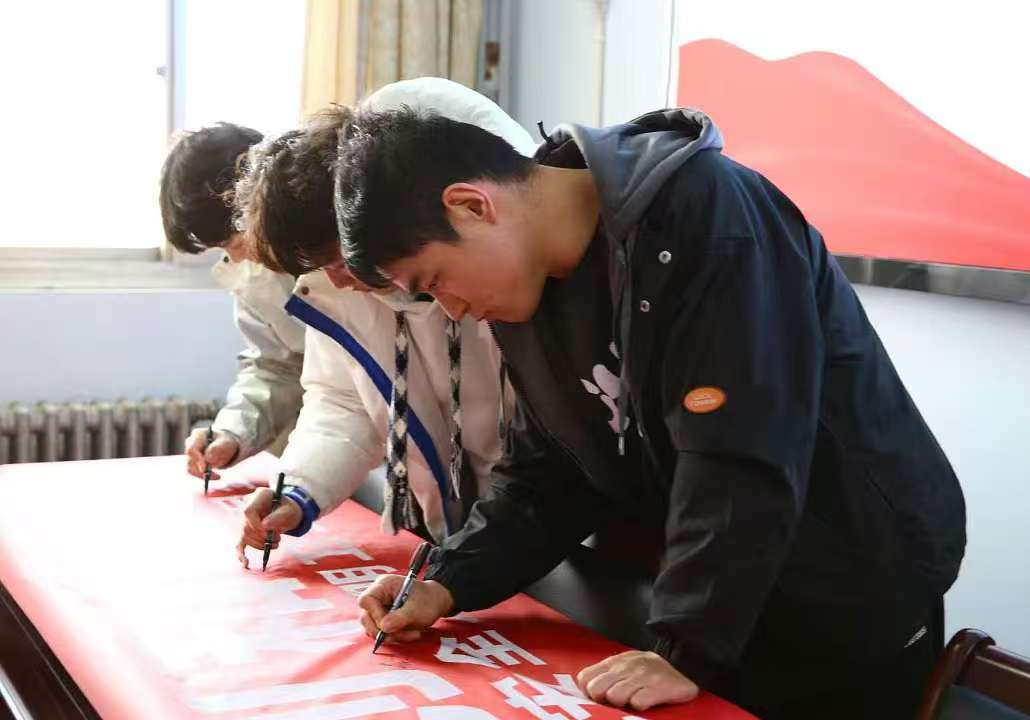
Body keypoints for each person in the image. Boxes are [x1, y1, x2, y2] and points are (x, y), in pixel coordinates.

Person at [337, 108, 967, 719]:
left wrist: (685, 647)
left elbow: (741, 451)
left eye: (436, 280)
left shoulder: (706, 214)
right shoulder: (528, 291)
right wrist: (447, 577)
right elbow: (548, 473)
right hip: (734, 602)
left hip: (848, 586)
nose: (451, 309)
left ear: (473, 206)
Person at [232, 78, 536, 553]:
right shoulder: (338, 293)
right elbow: (341, 401)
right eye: (321, 268)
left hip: (546, 524)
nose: (339, 281)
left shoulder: (493, 274)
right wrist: (299, 487)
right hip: (459, 534)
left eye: (340, 260)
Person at [159, 123, 305, 482]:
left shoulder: (340, 264)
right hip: (340, 445)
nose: (238, 257)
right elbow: (276, 367)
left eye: (237, 241)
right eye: (222, 248)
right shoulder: (252, 277)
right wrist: (231, 433)